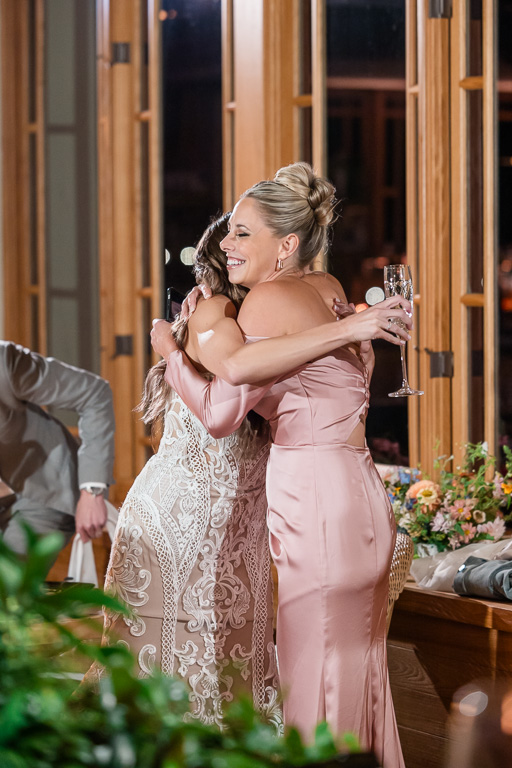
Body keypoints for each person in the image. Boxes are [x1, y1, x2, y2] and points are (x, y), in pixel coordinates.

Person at [151, 162, 409, 767]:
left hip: (315, 496)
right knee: (356, 666)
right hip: (361, 488)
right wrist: (362, 322)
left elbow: (222, 405)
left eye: (242, 232)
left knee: (312, 667)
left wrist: (170, 353)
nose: (224, 242)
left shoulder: (267, 299)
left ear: (285, 244)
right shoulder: (327, 289)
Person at [0, 341, 115, 568]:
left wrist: (92, 491)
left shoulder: (4, 363)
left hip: (42, 491)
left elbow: (93, 394)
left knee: (7, 591)